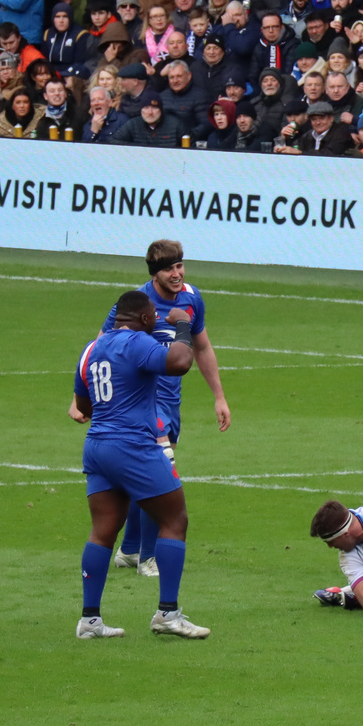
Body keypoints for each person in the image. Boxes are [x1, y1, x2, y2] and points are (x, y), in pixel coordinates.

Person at [70, 290, 209, 640]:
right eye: (154, 319)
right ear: (145, 319)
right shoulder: (135, 343)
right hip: (133, 446)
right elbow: (179, 363)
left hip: (97, 446)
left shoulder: (91, 348)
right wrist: (182, 326)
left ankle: (89, 621)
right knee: (174, 519)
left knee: (103, 529)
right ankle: (168, 614)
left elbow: (83, 407)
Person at [101, 240, 231, 578]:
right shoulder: (136, 305)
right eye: (169, 269)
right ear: (154, 274)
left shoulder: (191, 297)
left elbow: (201, 347)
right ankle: (148, 557)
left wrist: (219, 396)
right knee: (158, 474)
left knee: (144, 477)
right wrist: (81, 395)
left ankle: (129, 550)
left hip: (170, 401)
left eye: (180, 266)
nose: (177, 274)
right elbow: (101, 345)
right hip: (139, 402)